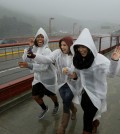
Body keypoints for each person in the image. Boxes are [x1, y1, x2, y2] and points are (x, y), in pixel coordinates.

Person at [69, 28, 120, 134]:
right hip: (83, 93)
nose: (81, 50)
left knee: (87, 119)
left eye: (84, 47)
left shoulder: (99, 59)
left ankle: (88, 129)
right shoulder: (78, 59)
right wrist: (73, 76)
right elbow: (77, 73)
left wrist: (114, 61)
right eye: (79, 47)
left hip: (96, 94)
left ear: (90, 47)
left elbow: (111, 74)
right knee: (90, 114)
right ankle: (95, 124)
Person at [26, 36, 81, 134]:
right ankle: (74, 110)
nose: (62, 47)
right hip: (61, 83)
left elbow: (77, 68)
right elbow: (47, 59)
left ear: (70, 45)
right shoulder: (57, 53)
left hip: (72, 83)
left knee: (66, 101)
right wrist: (34, 55)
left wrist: (69, 71)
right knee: (65, 100)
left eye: (65, 45)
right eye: (61, 45)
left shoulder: (75, 55)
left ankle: (62, 128)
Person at [18, 27, 59, 119]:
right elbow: (26, 59)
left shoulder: (47, 50)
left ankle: (56, 105)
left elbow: (44, 67)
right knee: (35, 96)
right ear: (36, 38)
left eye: (42, 37)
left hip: (48, 78)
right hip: (38, 78)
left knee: (51, 94)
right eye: (38, 37)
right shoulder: (34, 49)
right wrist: (30, 47)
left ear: (45, 39)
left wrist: (29, 65)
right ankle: (44, 108)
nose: (40, 39)